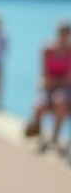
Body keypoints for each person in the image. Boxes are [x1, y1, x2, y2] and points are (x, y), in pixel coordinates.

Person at [24, 20, 70, 153]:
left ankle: (55, 137)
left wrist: (55, 81)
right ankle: (40, 136)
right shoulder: (47, 49)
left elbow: (68, 80)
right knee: (40, 105)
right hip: (49, 89)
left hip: (65, 90)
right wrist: (56, 82)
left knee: (60, 100)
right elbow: (45, 76)